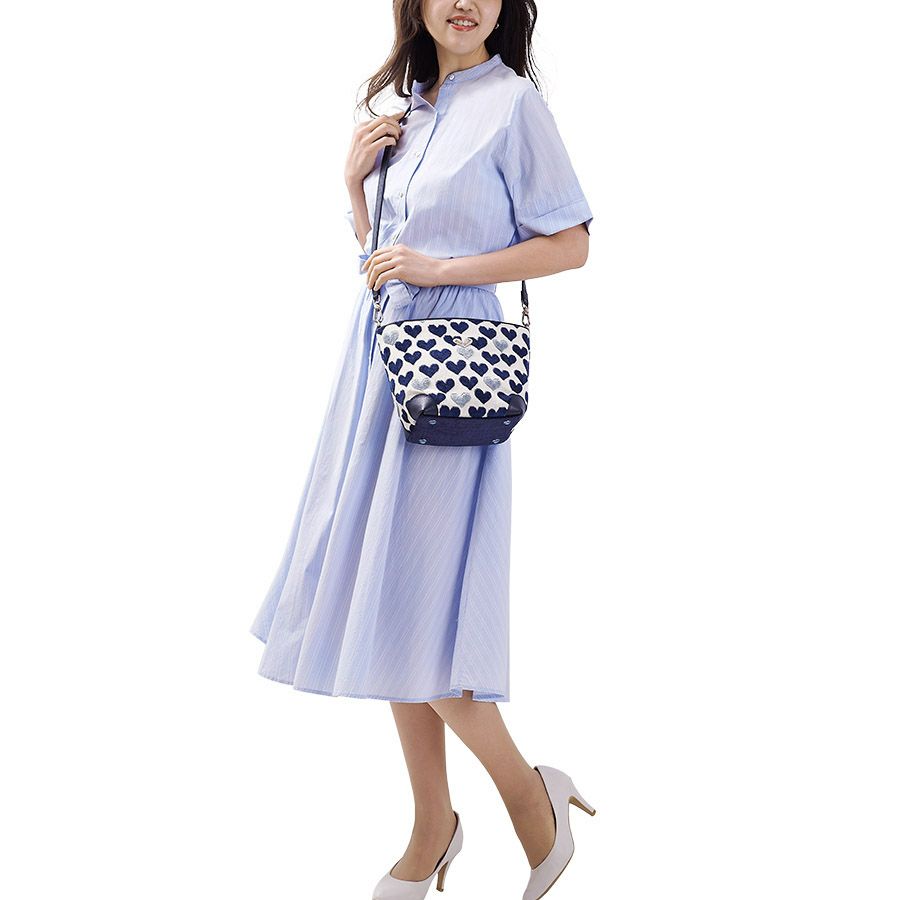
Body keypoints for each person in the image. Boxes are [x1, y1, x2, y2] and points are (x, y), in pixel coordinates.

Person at [249, 2, 595, 897]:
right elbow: (384, 262)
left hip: (454, 373)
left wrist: (442, 270)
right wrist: (356, 191)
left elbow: (571, 244)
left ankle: (528, 796)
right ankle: (433, 822)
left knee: (422, 612)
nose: (462, 2)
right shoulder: (410, 113)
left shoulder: (513, 105)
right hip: (382, 363)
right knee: (390, 595)